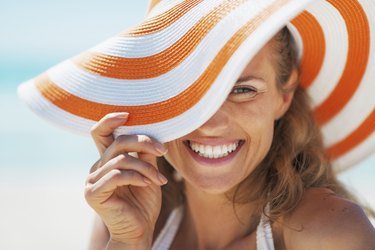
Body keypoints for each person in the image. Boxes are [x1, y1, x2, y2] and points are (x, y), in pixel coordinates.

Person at [18, 0, 375, 249]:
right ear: (154, 100)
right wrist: (129, 243)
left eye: (243, 89)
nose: (210, 123)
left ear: (284, 94)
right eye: (187, 92)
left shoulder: (326, 232)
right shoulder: (127, 221)